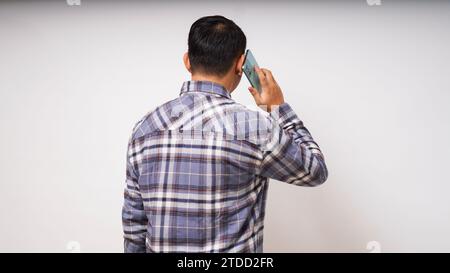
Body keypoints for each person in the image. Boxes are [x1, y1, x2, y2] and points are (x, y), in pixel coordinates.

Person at [122, 15, 328, 253]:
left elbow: (134, 225)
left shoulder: (145, 127)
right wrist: (277, 107)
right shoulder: (254, 127)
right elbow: (315, 170)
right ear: (241, 64)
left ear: (187, 61)